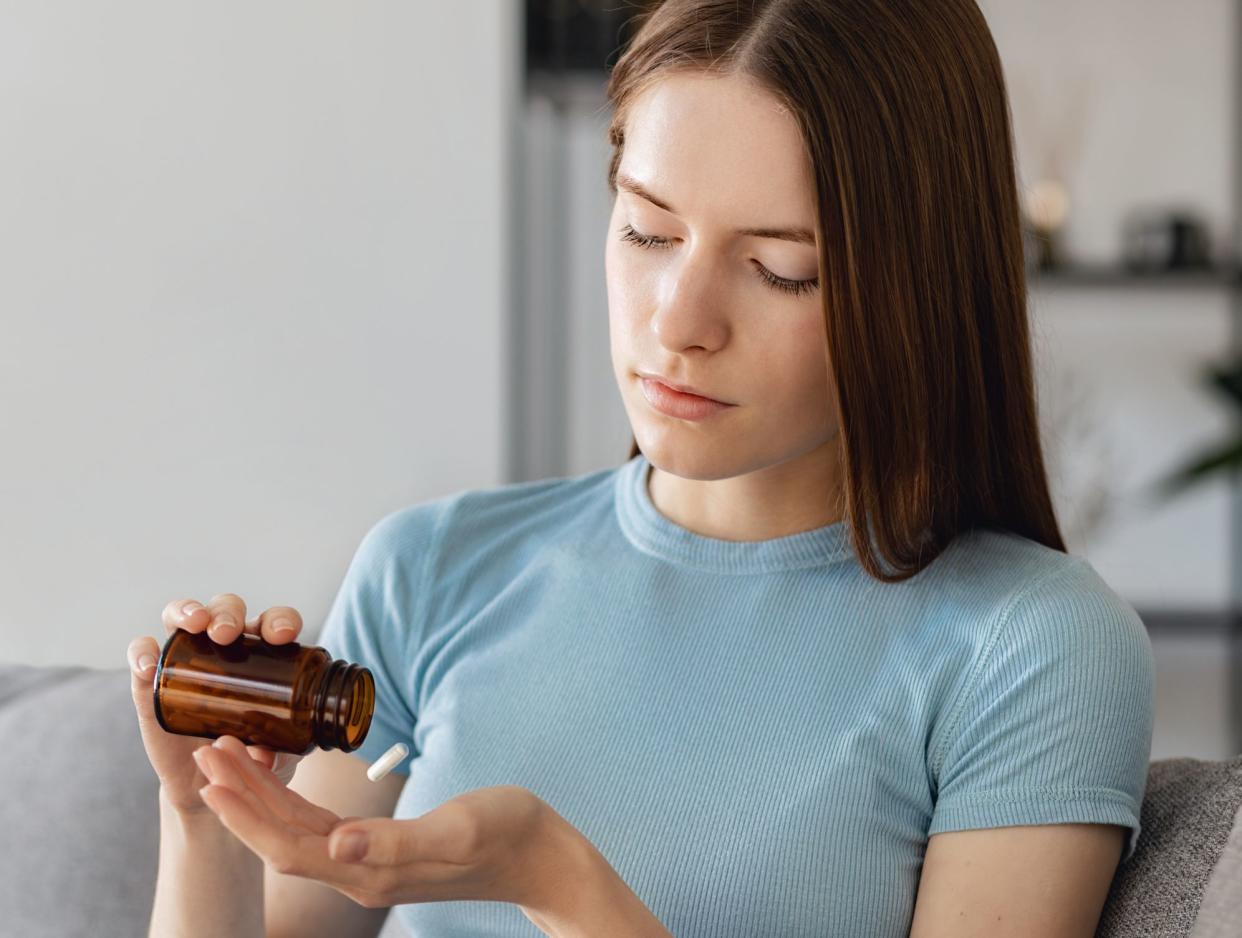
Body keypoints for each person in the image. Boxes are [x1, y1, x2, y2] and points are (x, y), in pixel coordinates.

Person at [126, 0, 1156, 935]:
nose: (678, 320)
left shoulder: (1029, 646)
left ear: (916, 283)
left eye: (779, 269)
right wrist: (203, 814)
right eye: (647, 228)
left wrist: (559, 878)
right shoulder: (430, 568)